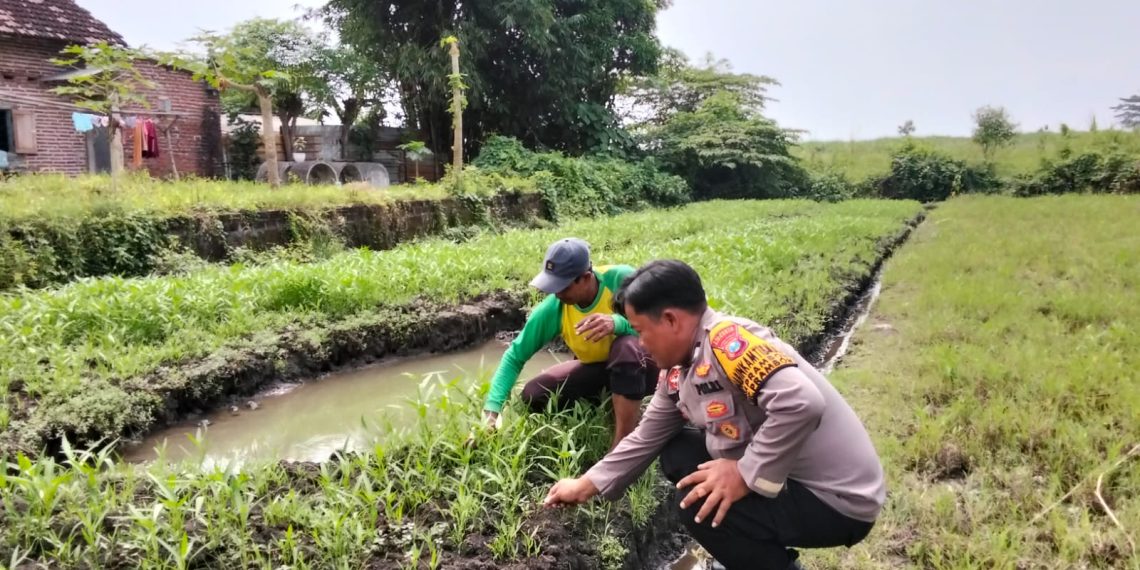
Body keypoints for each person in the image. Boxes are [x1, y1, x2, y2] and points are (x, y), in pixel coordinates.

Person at [543, 260, 886, 570]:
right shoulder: (679, 369)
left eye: (640, 330)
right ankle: (747, 553)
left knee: (695, 506)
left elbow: (801, 403)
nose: (640, 343)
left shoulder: (729, 343)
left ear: (672, 320)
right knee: (678, 453)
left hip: (838, 500)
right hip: (795, 481)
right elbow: (647, 436)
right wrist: (585, 485)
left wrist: (744, 473)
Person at [482, 238, 658, 449]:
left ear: (585, 277)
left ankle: (623, 442)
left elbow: (658, 325)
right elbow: (515, 356)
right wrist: (491, 413)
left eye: (562, 287)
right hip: (602, 370)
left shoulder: (621, 280)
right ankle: (603, 411)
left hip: (647, 366)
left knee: (625, 348)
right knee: (534, 394)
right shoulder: (554, 308)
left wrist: (618, 323)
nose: (557, 294)